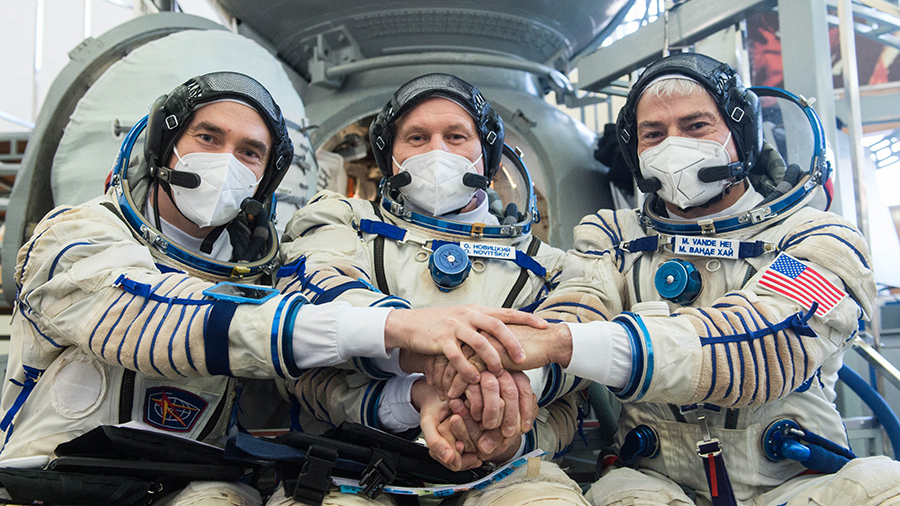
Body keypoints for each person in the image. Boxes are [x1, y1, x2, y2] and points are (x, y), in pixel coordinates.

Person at [0, 72, 544, 505]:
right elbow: (150, 319)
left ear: (263, 179)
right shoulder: (77, 233)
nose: (226, 163)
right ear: (166, 150)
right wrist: (395, 325)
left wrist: (418, 395)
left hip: (196, 481)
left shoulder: (262, 273)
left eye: (249, 153)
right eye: (208, 138)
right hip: (55, 475)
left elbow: (306, 389)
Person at [431, 53, 900, 505]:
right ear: (635, 153)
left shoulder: (818, 238)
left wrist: (563, 343)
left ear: (741, 135)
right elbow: (575, 309)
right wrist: (493, 398)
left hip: (797, 483)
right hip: (654, 484)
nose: (673, 145)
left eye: (696, 126)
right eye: (653, 133)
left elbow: (767, 341)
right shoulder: (613, 237)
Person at [276, 73, 591, 505]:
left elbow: (572, 378)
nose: (437, 152)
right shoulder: (339, 221)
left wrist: (498, 422)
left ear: (488, 157)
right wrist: (413, 380)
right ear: (391, 160)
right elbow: (321, 300)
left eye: (457, 136)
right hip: (352, 462)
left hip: (507, 467)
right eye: (417, 138)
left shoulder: (552, 267)